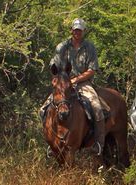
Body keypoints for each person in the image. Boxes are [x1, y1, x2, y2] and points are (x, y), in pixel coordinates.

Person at [40, 18, 106, 155]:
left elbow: (92, 69)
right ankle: (51, 143)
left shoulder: (89, 47)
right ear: (71, 30)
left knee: (97, 109)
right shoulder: (62, 47)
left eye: (80, 30)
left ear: (84, 31)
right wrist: (57, 78)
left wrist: (75, 80)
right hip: (63, 83)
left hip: (83, 83)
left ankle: (98, 143)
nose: (77, 32)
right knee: (43, 109)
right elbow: (54, 66)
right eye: (75, 30)